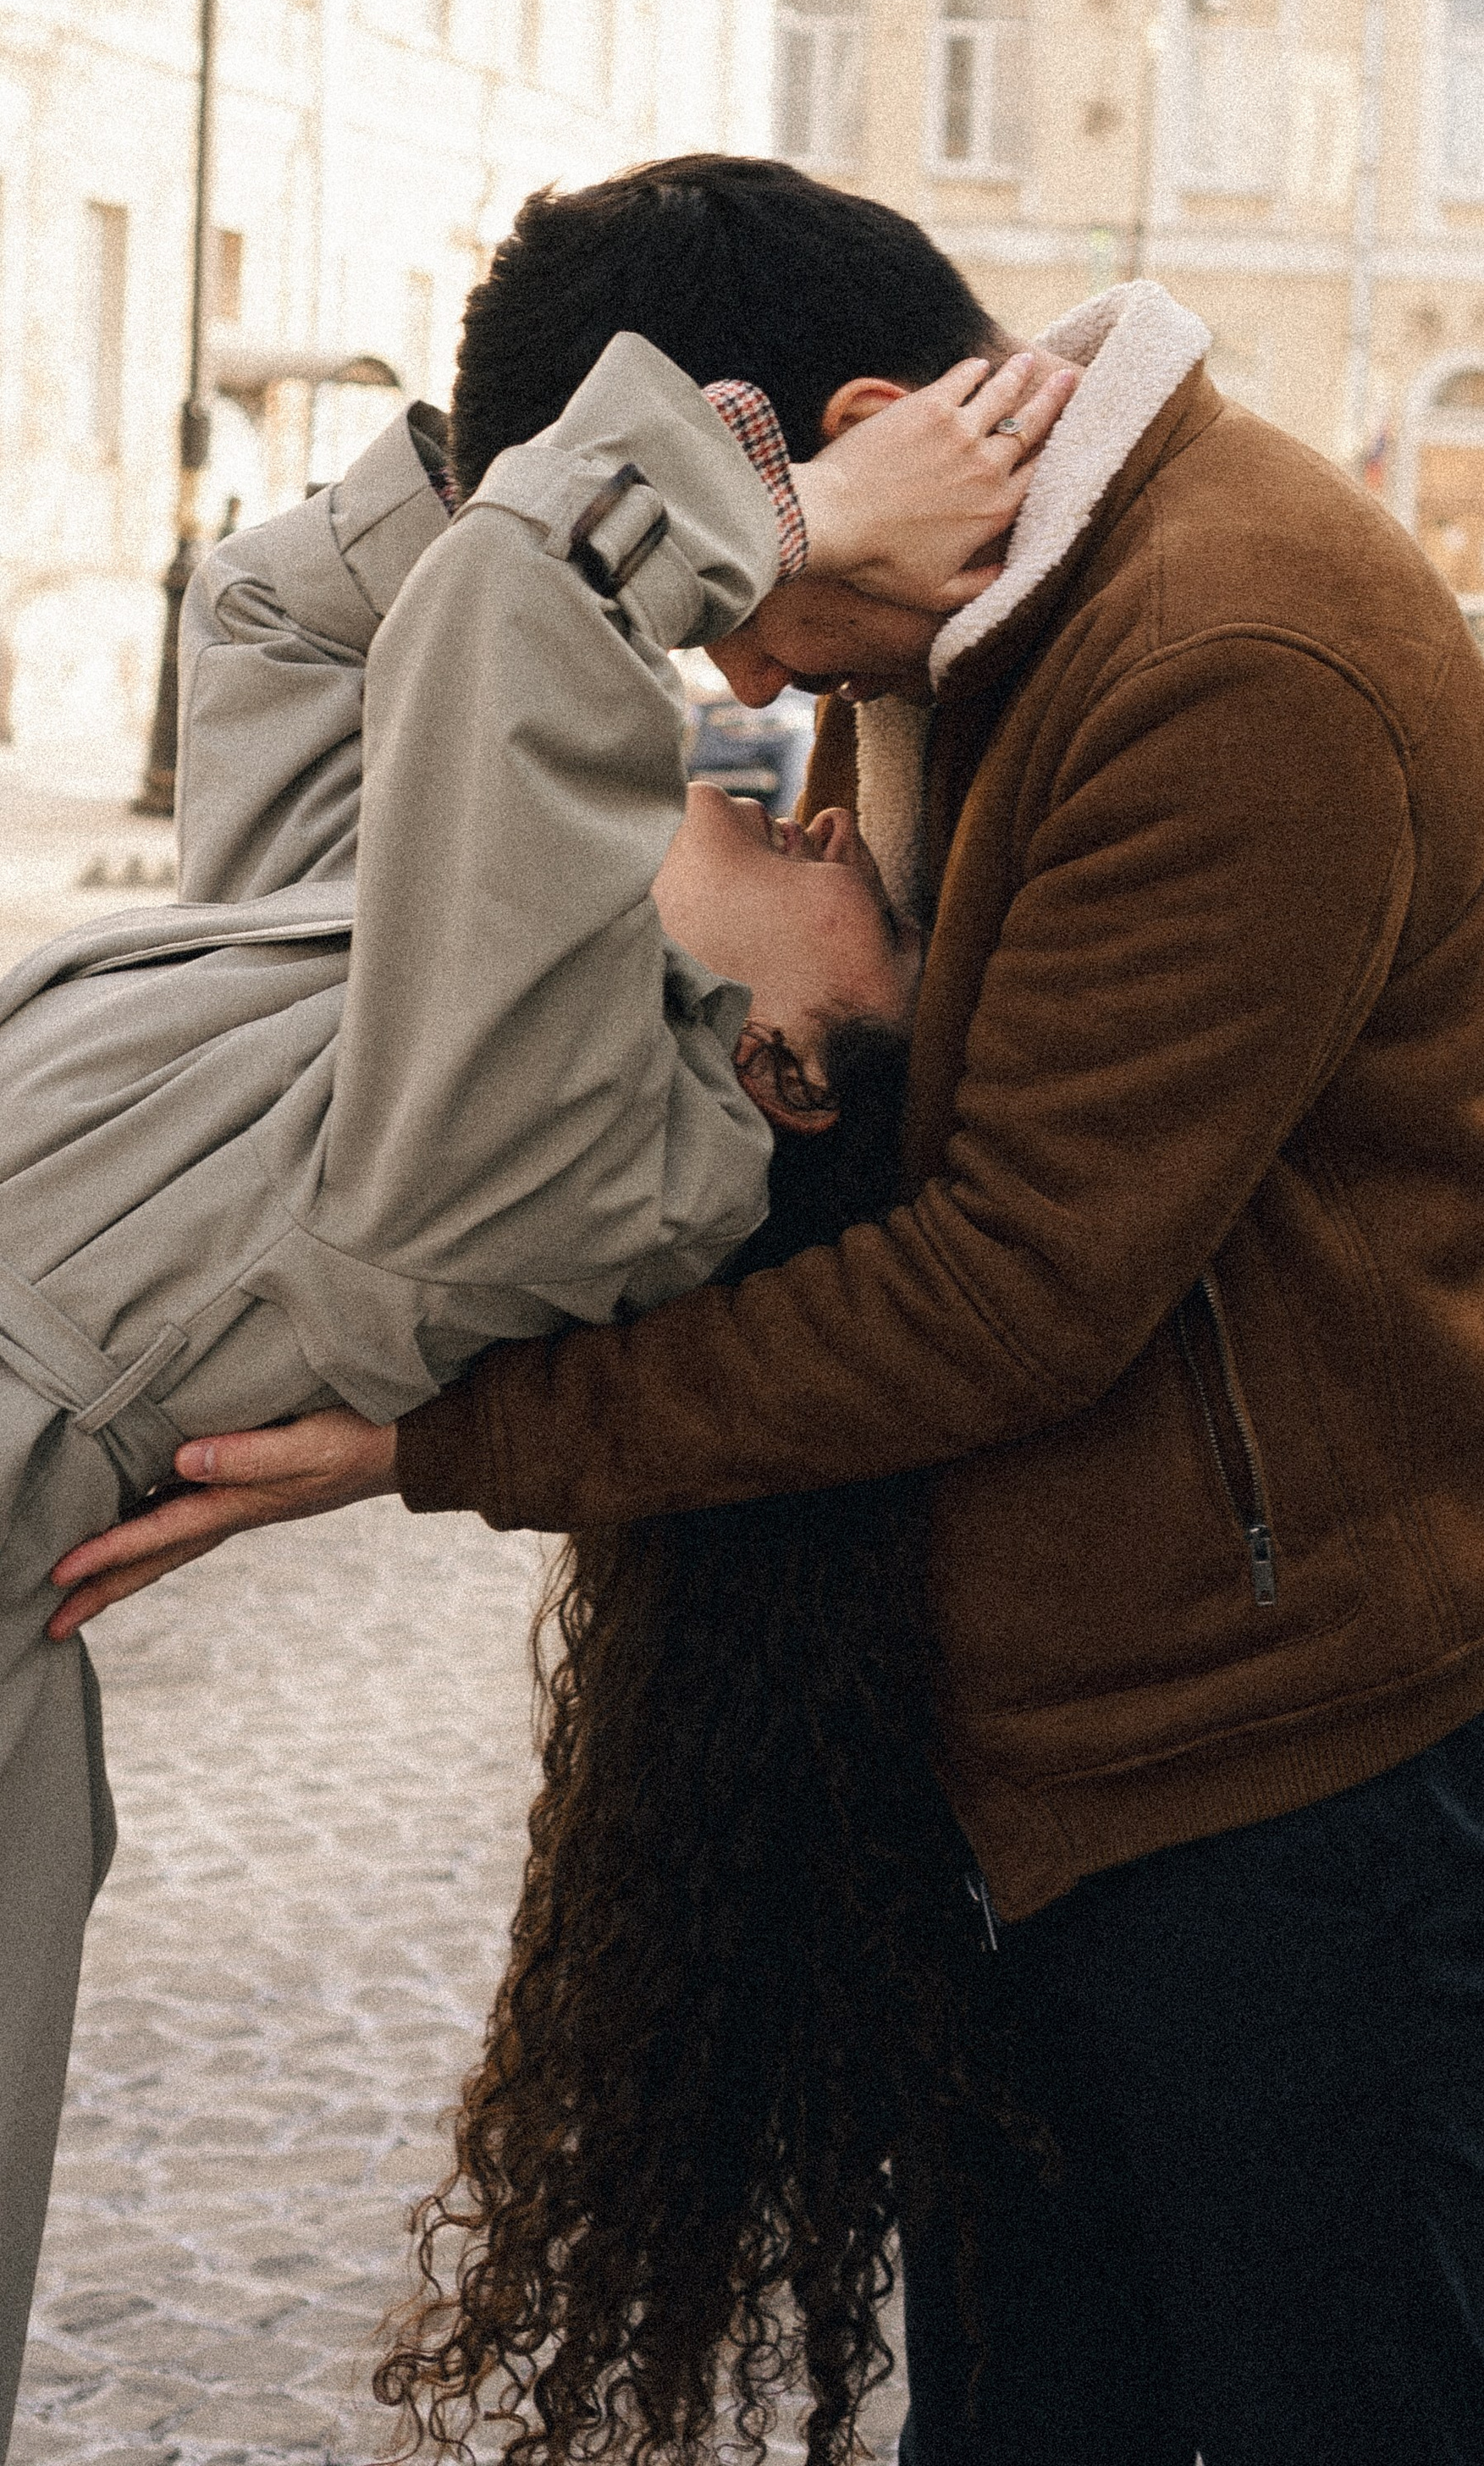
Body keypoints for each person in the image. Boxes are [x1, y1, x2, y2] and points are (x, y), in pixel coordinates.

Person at [56, 153, 1484, 2466]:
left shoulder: (1226, 653)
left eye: (751, 608)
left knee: (1329, 2410)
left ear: (868, 430)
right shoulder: (965, 617)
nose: (742, 682)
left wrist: (447, 1440)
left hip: (1292, 1754)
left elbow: (1011, 1288)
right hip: (1054, 1741)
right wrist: (573, 513)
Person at [1, 301, 1070, 2452]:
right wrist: (556, 504)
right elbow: (286, 626)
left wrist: (786, 524)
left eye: (881, 909)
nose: (838, 831)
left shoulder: (576, 1157)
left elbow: (517, 630)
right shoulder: (443, 999)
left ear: (784, 1080)